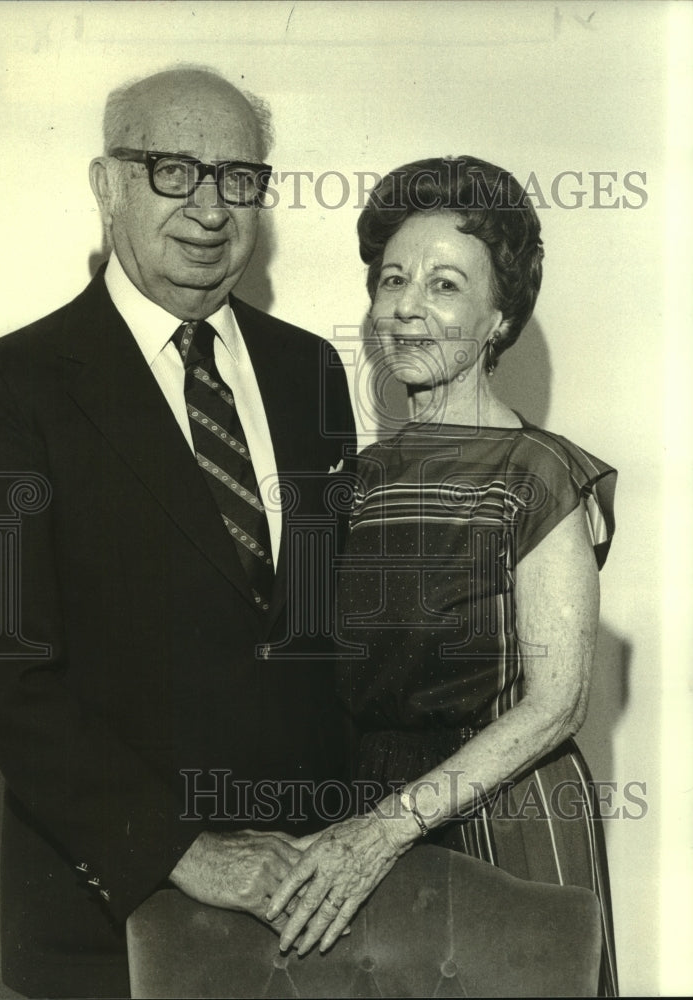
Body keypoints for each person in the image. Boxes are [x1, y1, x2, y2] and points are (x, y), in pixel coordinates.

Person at [0, 68, 354, 999]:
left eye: (238, 177)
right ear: (105, 184)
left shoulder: (311, 373)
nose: (210, 207)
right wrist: (181, 851)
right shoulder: (9, 386)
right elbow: (2, 668)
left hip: (309, 919)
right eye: (174, 170)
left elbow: (321, 635)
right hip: (107, 927)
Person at [266, 156, 619, 995]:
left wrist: (386, 829)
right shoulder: (351, 479)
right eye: (392, 280)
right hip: (363, 824)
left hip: (506, 826)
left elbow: (555, 703)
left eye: (445, 286)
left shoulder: (536, 473)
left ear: (498, 319)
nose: (406, 307)